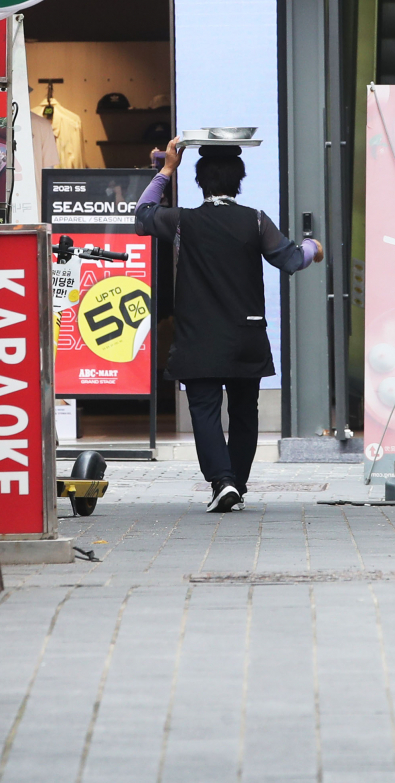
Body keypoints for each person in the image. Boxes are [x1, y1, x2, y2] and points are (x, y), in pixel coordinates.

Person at [135, 137, 323, 513]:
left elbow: (142, 217)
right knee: (244, 410)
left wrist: (166, 170)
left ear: (200, 181)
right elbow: (289, 260)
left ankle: (223, 483)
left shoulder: (183, 221)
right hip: (246, 336)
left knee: (204, 408)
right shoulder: (255, 220)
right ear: (240, 180)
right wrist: (312, 247)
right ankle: (235, 482)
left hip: (198, 337)